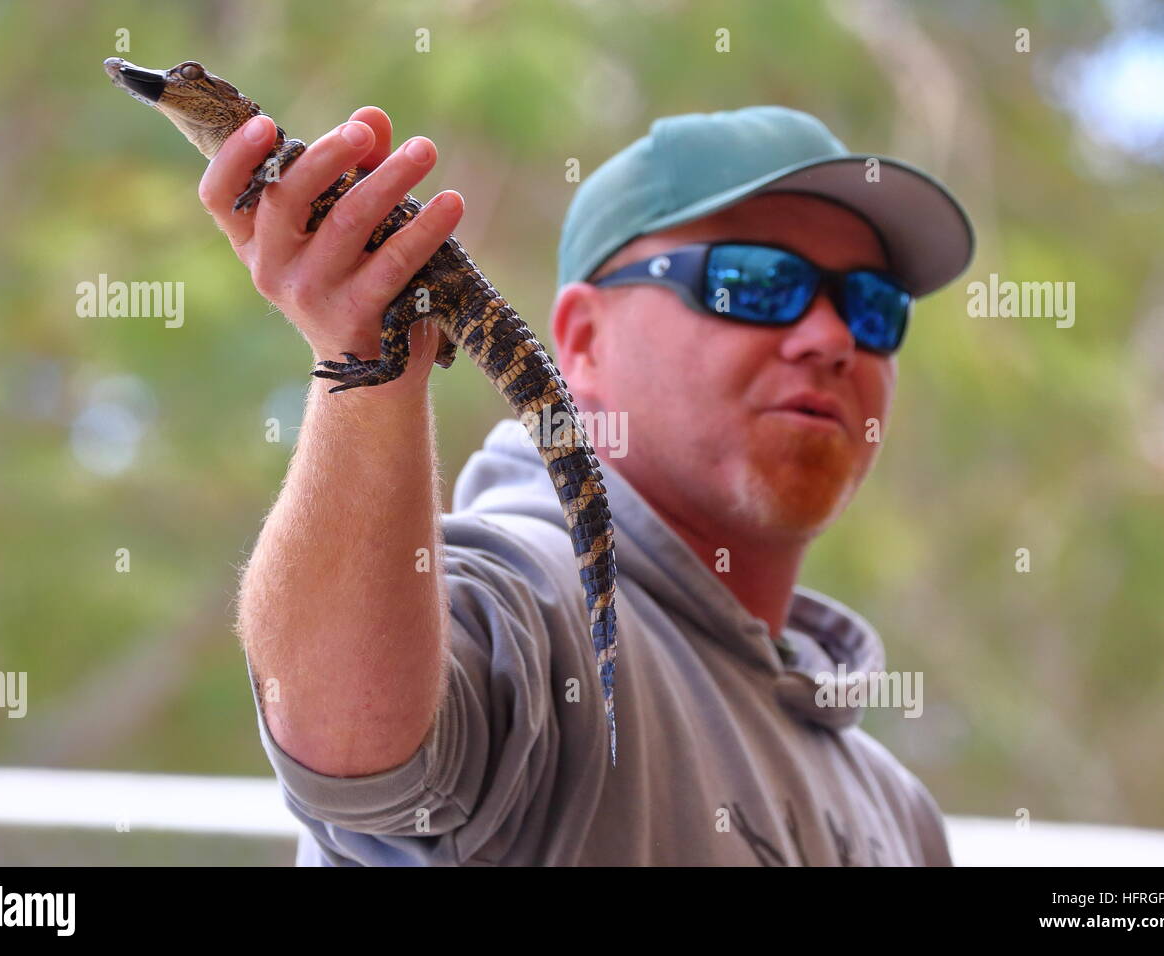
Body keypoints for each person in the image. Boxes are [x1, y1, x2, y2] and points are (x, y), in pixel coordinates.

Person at [202, 102, 974, 865]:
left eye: (875, 307)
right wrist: (369, 375)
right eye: (756, 283)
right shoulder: (533, 606)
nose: (833, 337)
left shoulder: (902, 815)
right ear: (584, 339)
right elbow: (354, 743)